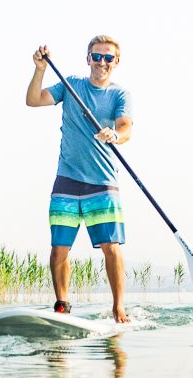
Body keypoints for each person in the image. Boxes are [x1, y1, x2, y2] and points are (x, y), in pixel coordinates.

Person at [25, 37, 134, 323]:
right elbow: (33, 100)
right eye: (96, 57)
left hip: (102, 182)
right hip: (67, 180)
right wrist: (40, 69)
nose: (101, 62)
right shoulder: (70, 85)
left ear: (116, 62)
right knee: (59, 247)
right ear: (88, 59)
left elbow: (125, 128)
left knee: (111, 248)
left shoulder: (119, 95)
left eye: (108, 58)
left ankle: (118, 308)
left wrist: (115, 135)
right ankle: (62, 305)